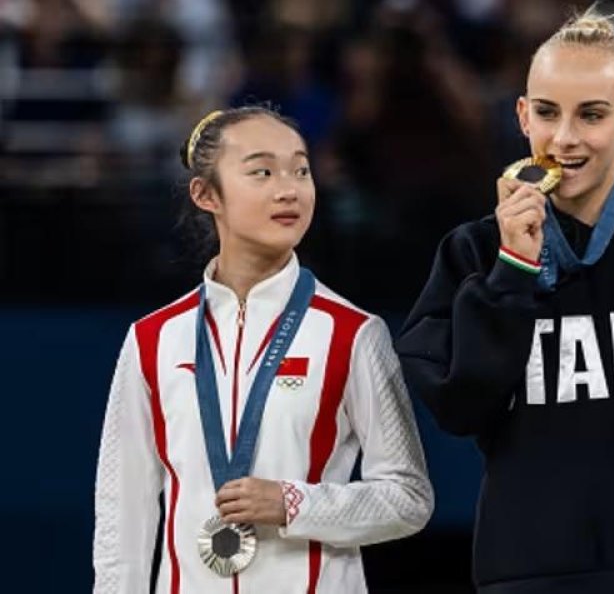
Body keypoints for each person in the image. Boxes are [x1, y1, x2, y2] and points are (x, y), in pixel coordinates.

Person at [397, 6, 614, 594]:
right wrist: (512, 269)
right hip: (528, 568)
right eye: (547, 113)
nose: (565, 138)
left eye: (592, 115)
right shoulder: (474, 251)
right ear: (523, 115)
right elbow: (459, 406)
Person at [93, 106, 433, 593]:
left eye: (301, 169)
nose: (289, 189)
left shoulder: (353, 333)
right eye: (262, 172)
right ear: (206, 194)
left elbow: (408, 497)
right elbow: (121, 513)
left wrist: (294, 504)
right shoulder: (153, 339)